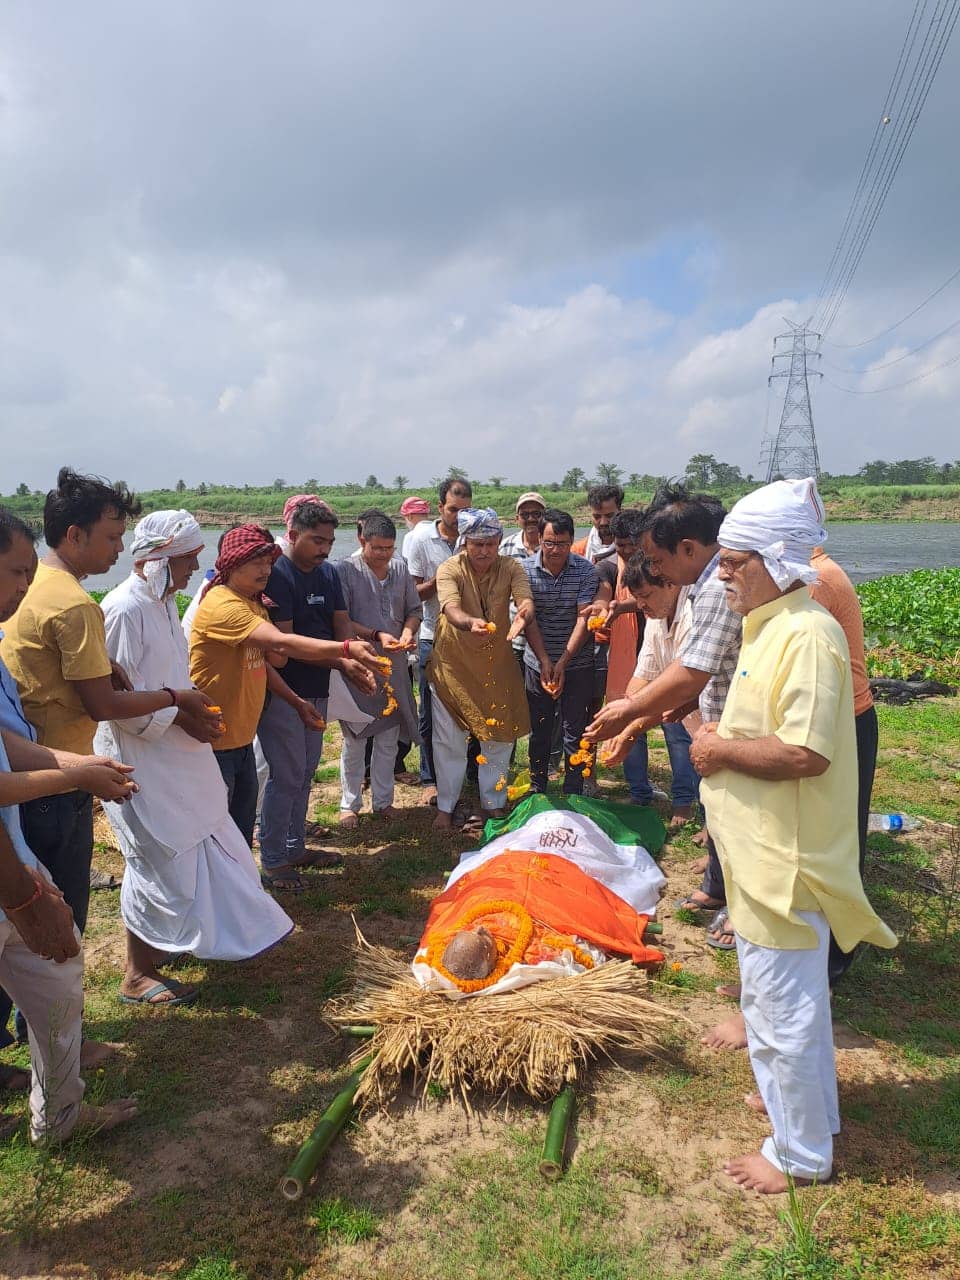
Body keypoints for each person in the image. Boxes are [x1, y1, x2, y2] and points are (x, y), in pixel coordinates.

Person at [688, 478, 896, 1194]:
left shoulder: (806, 634)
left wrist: (716, 753)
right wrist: (716, 736)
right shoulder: (773, 625)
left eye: (733, 561)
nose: (722, 574)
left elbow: (804, 753)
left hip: (789, 859)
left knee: (784, 1011)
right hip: (762, 854)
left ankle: (802, 1156)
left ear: (776, 561)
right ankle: (798, 1111)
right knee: (775, 1003)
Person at [0, 468, 210, 939]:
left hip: (27, 766)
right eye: (113, 537)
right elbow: (103, 705)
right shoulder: (76, 604)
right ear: (75, 535)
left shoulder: (32, 586)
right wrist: (178, 698)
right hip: (54, 777)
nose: (120, 549)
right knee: (58, 917)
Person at [94, 512, 293, 1005]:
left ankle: (193, 940)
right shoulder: (122, 609)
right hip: (139, 759)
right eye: (187, 561)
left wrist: (193, 710)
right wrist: (182, 714)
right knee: (156, 860)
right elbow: (118, 705)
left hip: (180, 753)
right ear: (158, 560)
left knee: (213, 838)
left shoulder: (163, 603)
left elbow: (172, 678)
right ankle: (137, 973)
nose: (193, 570)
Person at [0, 508, 138, 1127]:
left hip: (16, 852)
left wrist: (74, 763)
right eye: (15, 572)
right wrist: (76, 772)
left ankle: (60, 1112)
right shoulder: (74, 605)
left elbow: (10, 743)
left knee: (57, 968)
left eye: (30, 572)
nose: (25, 588)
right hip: (13, 861)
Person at [188, 524, 382, 877]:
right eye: (256, 562)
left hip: (239, 735)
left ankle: (255, 879)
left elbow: (267, 662)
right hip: (213, 739)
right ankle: (254, 876)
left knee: (242, 824)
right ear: (231, 565)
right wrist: (344, 649)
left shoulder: (253, 605)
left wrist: (295, 701)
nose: (265, 570)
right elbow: (281, 646)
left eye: (267, 561)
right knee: (218, 829)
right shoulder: (224, 606)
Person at [585, 485, 740, 922]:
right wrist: (627, 714)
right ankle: (721, 883)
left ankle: (739, 907)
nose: (657, 571)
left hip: (737, 721)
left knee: (738, 815)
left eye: (657, 561)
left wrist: (629, 717)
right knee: (724, 807)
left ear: (686, 550)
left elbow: (690, 671)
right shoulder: (688, 589)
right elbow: (651, 669)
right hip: (713, 716)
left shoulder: (710, 590)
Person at [257, 500, 348, 880]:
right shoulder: (277, 574)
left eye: (329, 541)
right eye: (315, 540)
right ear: (292, 535)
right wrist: (343, 659)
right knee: (287, 774)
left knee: (307, 769)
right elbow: (286, 643)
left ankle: (295, 847)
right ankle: (273, 858)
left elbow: (341, 627)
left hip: (318, 687)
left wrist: (349, 659)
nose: (323, 549)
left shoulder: (328, 574)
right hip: (284, 690)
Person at [428, 509, 533, 832]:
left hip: (495, 664)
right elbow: (450, 607)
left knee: (499, 738)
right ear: (465, 543)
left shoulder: (511, 566)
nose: (484, 551)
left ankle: (494, 804)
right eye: (477, 544)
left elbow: (525, 599)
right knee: (450, 742)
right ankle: (446, 806)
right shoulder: (449, 568)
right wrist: (468, 622)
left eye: (490, 543)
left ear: (500, 541)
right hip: (453, 667)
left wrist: (523, 616)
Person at [809, 547, 879, 986]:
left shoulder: (815, 580)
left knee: (839, 839)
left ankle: (836, 953)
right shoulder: (817, 570)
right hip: (840, 715)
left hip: (845, 719)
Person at [335, 513, 422, 825]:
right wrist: (374, 634)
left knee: (389, 737)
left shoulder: (399, 568)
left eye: (389, 548)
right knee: (355, 738)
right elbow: (341, 620)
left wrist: (409, 632)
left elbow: (414, 609)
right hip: (361, 666)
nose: (384, 554)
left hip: (395, 666)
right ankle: (349, 804)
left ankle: (383, 801)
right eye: (377, 548)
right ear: (362, 540)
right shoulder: (343, 570)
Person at [603, 557, 701, 825]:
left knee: (708, 771)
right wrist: (621, 718)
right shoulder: (656, 617)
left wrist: (630, 726)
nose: (641, 605)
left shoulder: (693, 616)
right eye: (636, 598)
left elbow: (681, 690)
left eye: (646, 595)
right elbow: (643, 676)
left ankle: (700, 818)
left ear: (670, 584)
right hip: (686, 711)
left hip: (709, 711)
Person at [522, 509, 599, 797]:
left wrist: (563, 662)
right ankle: (537, 786)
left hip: (577, 662)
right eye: (550, 543)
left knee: (574, 729)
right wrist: (544, 661)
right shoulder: (524, 571)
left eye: (563, 544)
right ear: (539, 538)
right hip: (536, 662)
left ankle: (574, 790)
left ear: (572, 541)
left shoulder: (585, 570)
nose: (556, 551)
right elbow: (528, 618)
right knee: (539, 728)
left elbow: (584, 619)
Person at [406, 478, 474, 802]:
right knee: (431, 710)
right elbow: (413, 592)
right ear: (439, 507)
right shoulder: (421, 539)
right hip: (432, 634)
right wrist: (444, 575)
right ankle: (429, 777)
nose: (459, 517)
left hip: (469, 637)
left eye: (465, 510)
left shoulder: (475, 537)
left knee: (471, 706)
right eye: (453, 510)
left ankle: (472, 773)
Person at [572, 482, 623, 564]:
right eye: (597, 517)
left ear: (620, 512)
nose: (603, 522)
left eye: (609, 516)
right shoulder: (577, 551)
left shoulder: (633, 548)